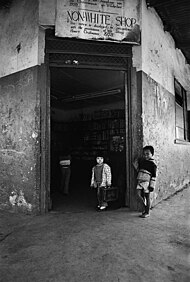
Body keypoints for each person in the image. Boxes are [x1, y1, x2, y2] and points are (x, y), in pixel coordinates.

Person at [133, 145, 157, 218]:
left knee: (147, 197)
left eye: (147, 154)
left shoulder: (152, 164)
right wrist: (137, 158)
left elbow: (154, 176)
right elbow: (135, 166)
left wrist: (152, 185)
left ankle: (147, 212)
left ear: (152, 154)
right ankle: (144, 207)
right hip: (140, 181)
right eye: (144, 154)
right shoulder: (142, 162)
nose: (146, 156)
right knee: (138, 194)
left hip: (147, 182)